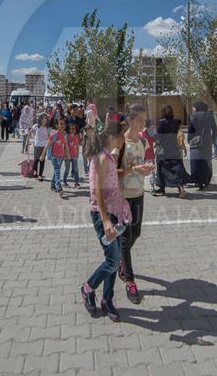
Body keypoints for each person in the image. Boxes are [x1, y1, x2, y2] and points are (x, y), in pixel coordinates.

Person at [80, 121, 131, 322]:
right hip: (103, 215)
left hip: (115, 211)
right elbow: (97, 192)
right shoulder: (100, 158)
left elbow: (114, 176)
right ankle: (88, 288)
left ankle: (107, 299)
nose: (122, 141)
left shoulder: (108, 157)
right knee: (112, 260)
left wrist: (135, 169)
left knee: (115, 259)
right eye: (121, 137)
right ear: (113, 137)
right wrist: (106, 221)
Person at [119, 105, 155, 303]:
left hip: (139, 193)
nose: (143, 123)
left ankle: (121, 261)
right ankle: (130, 281)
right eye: (140, 120)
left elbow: (143, 162)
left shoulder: (142, 141)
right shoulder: (121, 142)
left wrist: (148, 168)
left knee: (136, 233)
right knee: (125, 238)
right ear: (130, 120)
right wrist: (134, 169)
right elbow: (116, 171)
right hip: (122, 195)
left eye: (144, 120)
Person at [155, 105, 188, 198]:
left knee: (161, 166)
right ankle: (181, 189)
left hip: (164, 149)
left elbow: (158, 137)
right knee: (177, 168)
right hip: (174, 148)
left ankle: (162, 188)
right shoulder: (176, 122)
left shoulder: (161, 123)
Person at [188, 102, 217, 191]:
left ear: (197, 107)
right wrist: (212, 140)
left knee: (196, 161)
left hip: (195, 143)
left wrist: (189, 140)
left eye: (194, 107)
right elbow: (215, 130)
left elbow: (190, 130)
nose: (193, 109)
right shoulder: (209, 116)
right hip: (207, 142)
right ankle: (206, 180)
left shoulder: (193, 116)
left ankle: (198, 181)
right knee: (207, 161)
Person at [43, 117, 69, 196]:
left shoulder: (65, 134)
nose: (62, 125)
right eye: (60, 124)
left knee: (56, 171)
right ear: (57, 125)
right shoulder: (53, 135)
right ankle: (59, 188)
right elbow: (47, 145)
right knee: (57, 172)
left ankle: (52, 184)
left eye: (63, 124)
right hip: (54, 156)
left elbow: (65, 146)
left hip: (61, 156)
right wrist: (42, 155)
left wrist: (67, 154)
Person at [30, 114, 51, 181]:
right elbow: (30, 132)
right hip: (37, 145)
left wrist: (49, 145)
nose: (44, 120)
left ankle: (40, 175)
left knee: (42, 160)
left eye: (45, 118)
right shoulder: (36, 126)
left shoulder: (47, 128)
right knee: (36, 160)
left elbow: (48, 137)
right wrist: (28, 142)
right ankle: (35, 172)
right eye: (43, 118)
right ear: (40, 119)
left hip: (44, 146)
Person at [63, 121, 82, 189]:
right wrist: (67, 155)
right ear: (68, 129)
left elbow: (77, 145)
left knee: (76, 169)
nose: (73, 130)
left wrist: (77, 154)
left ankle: (76, 183)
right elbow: (65, 146)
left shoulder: (77, 136)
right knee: (67, 169)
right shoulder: (67, 136)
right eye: (71, 128)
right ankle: (64, 182)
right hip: (67, 155)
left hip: (74, 155)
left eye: (74, 128)